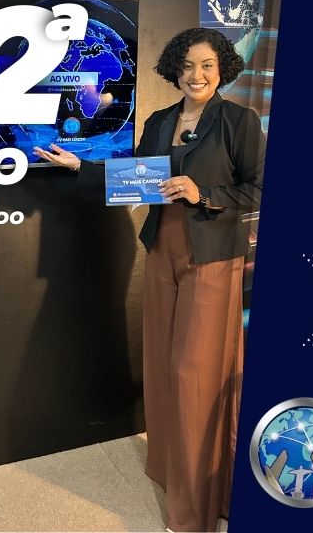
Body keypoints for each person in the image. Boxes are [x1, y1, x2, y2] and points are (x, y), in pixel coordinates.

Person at [33, 27, 265, 532]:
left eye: (206, 65)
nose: (196, 75)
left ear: (222, 68)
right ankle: (169, 471)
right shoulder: (161, 120)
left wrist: (203, 193)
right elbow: (133, 178)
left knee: (193, 375)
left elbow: (258, 187)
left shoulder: (238, 121)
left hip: (212, 257)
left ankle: (196, 507)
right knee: (162, 366)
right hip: (162, 250)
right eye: (187, 65)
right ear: (175, 70)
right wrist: (79, 166)